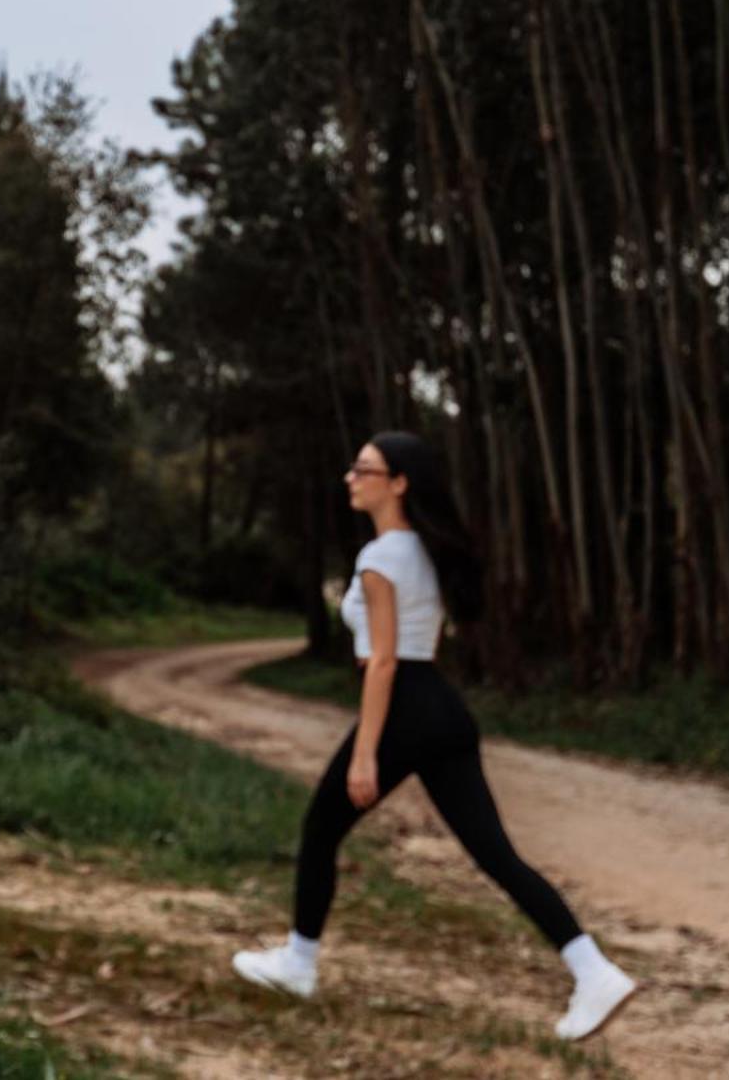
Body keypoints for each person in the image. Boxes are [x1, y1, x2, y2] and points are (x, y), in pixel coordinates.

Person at [232, 430, 636, 1043]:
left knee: (320, 828)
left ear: (398, 484)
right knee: (496, 854)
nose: (350, 477)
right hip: (444, 710)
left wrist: (365, 753)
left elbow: (384, 663)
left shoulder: (377, 560)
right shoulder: (422, 550)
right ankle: (593, 969)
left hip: (406, 709)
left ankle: (298, 963)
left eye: (363, 469)